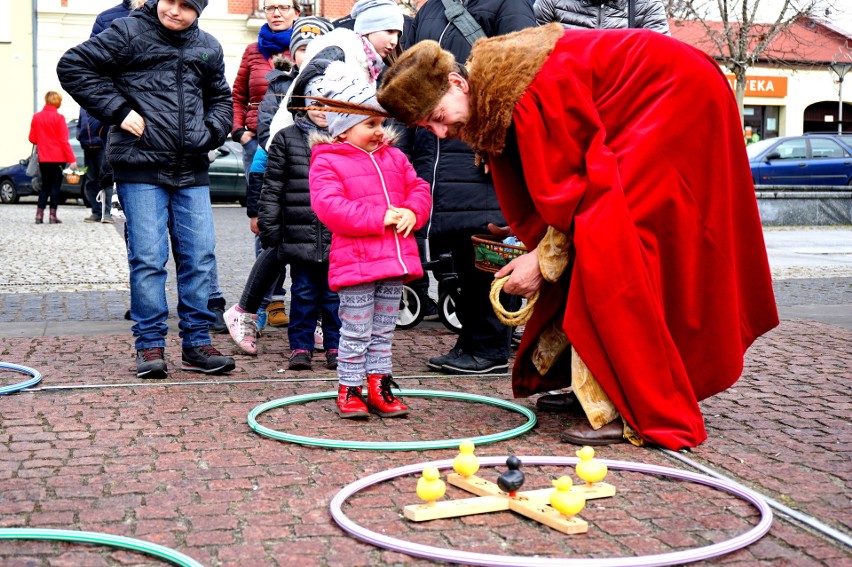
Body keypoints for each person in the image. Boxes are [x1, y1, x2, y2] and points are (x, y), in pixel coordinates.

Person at [377, 25, 779, 449]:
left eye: (439, 118)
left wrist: (543, 257)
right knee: (600, 239)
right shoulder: (494, 91)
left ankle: (637, 409)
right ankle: (596, 386)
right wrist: (534, 237)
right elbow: (562, 182)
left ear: (459, 83)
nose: (441, 134)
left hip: (674, 97)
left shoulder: (529, 95)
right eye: (429, 127)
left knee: (614, 250)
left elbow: (582, 193)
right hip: (663, 91)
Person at [57, 0, 236, 379]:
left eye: (187, 6)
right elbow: (73, 66)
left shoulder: (209, 46)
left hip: (191, 169)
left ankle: (197, 342)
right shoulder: (127, 31)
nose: (175, 11)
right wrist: (118, 110)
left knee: (200, 257)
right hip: (139, 166)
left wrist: (213, 132)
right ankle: (150, 345)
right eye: (171, 1)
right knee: (149, 259)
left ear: (199, 10)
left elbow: (221, 98)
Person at [398, 0, 536, 375]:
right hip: (439, 153)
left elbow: (519, 71)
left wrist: (499, 146)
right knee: (462, 250)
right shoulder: (429, 10)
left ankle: (490, 346)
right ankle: (473, 342)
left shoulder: (507, 2)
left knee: (489, 251)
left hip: (480, 151)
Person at [308, 64, 431, 418]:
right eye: (370, 124)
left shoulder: (395, 156)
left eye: (381, 123)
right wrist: (379, 217)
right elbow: (329, 207)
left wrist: (412, 211)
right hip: (358, 264)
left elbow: (418, 188)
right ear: (344, 129)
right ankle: (349, 388)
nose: (380, 131)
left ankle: (378, 386)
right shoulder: (328, 161)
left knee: (383, 330)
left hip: (393, 262)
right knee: (357, 330)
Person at [226, 70, 343, 371]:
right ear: (301, 104)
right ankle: (300, 347)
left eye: (329, 102)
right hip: (298, 236)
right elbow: (272, 187)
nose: (322, 108)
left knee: (333, 299)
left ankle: (335, 347)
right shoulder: (286, 139)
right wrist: (271, 229)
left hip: (336, 238)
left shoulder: (345, 140)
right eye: (314, 102)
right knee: (302, 295)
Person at [266, 0, 405, 146]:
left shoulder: (368, 62)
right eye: (389, 31)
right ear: (369, 28)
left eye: (398, 34)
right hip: (301, 147)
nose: (394, 41)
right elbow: (311, 103)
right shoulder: (341, 50)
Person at [28, 91, 78, 225]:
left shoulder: (37, 117)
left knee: (45, 186)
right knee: (55, 186)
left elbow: (32, 138)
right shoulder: (59, 118)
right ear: (57, 102)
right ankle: (52, 216)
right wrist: (72, 160)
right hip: (58, 158)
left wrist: (43, 140)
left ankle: (39, 215)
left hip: (43, 158)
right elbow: (64, 141)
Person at [534, 0, 669, 33]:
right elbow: (531, 51)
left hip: (622, 94)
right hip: (565, 91)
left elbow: (662, 58)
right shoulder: (550, 1)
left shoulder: (647, 4)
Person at [77, 108, 113, 223]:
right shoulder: (82, 107)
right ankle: (96, 212)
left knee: (106, 179)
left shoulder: (100, 102)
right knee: (91, 181)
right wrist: (79, 136)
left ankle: (108, 213)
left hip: (101, 146)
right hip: (87, 147)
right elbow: (79, 124)